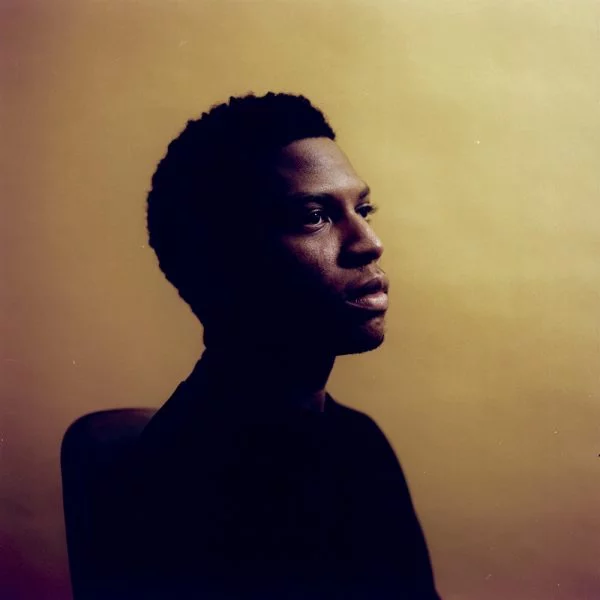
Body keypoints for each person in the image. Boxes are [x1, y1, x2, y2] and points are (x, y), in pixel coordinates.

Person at [114, 92, 441, 599]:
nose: (369, 242)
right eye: (314, 215)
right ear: (220, 264)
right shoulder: (190, 484)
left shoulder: (358, 441)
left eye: (364, 209)